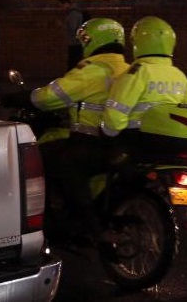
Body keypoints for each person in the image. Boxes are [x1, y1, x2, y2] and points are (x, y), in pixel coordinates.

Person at [30, 18, 129, 241]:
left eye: (85, 40)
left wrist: (26, 97)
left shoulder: (93, 70)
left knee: (39, 159)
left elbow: (52, 95)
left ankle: (53, 223)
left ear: (93, 41)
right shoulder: (129, 69)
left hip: (90, 141)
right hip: (118, 142)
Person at [102, 16, 187, 157]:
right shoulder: (179, 75)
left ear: (137, 43)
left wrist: (108, 133)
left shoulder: (138, 72)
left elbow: (115, 115)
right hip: (172, 140)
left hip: (139, 139)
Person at [59, 0, 86, 71]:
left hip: (74, 42)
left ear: (66, 4)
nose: (62, 8)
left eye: (62, 6)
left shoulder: (72, 14)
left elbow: (73, 28)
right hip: (78, 41)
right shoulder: (76, 12)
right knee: (76, 61)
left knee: (73, 62)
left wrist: (63, 25)